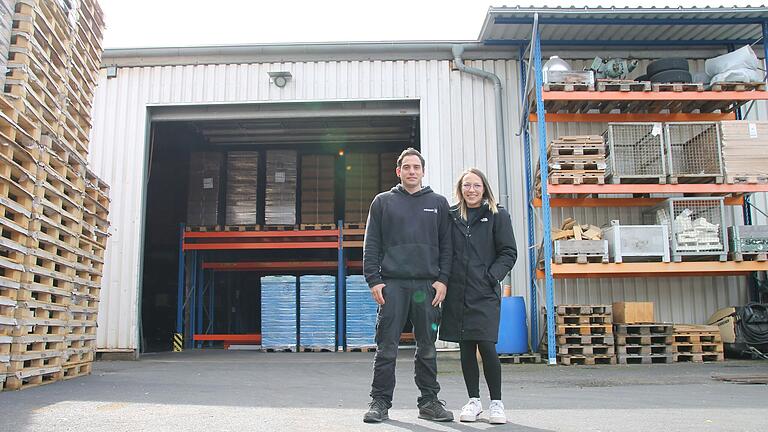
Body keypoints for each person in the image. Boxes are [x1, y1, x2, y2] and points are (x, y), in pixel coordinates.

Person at [362, 148, 454, 424]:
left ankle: (429, 401)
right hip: (393, 286)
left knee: (427, 346)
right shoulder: (383, 202)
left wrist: (443, 280)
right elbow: (371, 245)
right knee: (386, 347)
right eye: (407, 167)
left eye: (416, 167)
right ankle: (380, 402)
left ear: (423, 171)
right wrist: (374, 280)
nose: (412, 171)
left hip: (427, 286)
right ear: (398, 171)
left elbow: (447, 247)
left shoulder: (438, 203)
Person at [440, 167, 517, 425]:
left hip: (484, 292)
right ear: (460, 189)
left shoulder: (497, 214)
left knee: (486, 345)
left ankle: (497, 403)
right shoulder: (451, 216)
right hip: (458, 293)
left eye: (476, 185)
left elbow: (508, 252)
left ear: (484, 188)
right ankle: (473, 400)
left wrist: (491, 276)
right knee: (466, 347)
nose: (471, 190)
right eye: (466, 185)